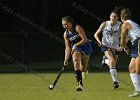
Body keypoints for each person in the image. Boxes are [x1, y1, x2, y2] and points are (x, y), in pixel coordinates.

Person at [62, 16, 93, 91]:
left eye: (66, 24)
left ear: (70, 23)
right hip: (76, 49)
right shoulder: (66, 34)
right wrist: (66, 59)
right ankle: (80, 85)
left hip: (85, 46)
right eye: (63, 25)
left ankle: (85, 70)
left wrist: (76, 45)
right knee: (76, 62)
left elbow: (84, 39)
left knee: (83, 67)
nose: (64, 26)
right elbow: (67, 47)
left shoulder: (77, 28)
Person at [94, 9, 122, 89]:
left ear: (118, 18)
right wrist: (100, 42)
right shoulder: (105, 24)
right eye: (112, 16)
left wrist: (121, 46)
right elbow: (96, 34)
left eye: (115, 16)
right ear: (110, 17)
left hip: (115, 47)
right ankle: (115, 82)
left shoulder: (120, 25)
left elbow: (124, 36)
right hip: (105, 46)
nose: (113, 17)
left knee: (112, 64)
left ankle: (105, 61)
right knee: (112, 61)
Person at [120, 8, 140, 97]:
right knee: (132, 68)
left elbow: (123, 39)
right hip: (136, 44)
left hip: (139, 43)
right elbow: (129, 37)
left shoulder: (125, 24)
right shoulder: (133, 23)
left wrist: (124, 47)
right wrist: (124, 46)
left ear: (121, 17)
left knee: (138, 70)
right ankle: (138, 91)